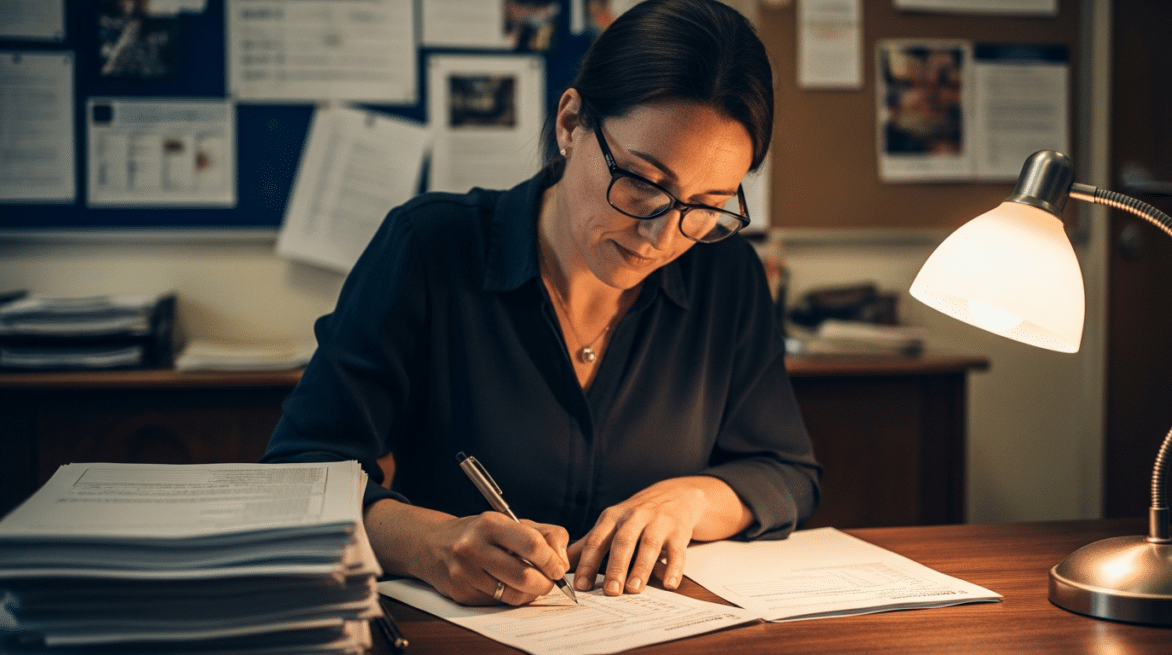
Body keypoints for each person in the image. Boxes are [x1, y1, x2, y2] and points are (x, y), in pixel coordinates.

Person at [260, 0, 821, 608]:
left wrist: (691, 500)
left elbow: (785, 471)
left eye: (707, 205)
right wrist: (430, 542)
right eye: (641, 181)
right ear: (571, 122)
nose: (662, 237)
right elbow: (301, 473)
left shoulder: (725, 273)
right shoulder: (429, 248)